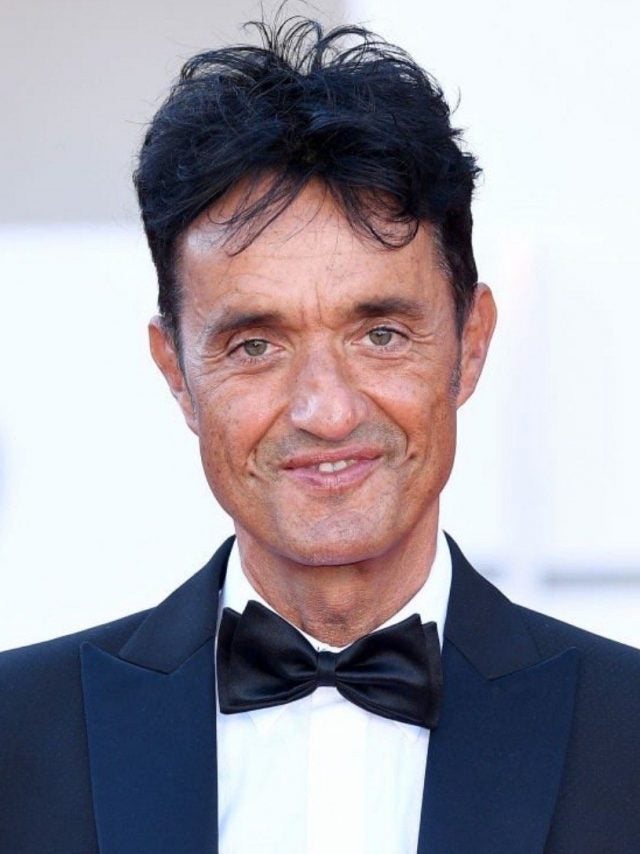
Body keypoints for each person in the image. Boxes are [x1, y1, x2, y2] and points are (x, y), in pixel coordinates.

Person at [1, 15, 639, 854]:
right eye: (255, 346)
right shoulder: (16, 739)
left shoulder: (626, 733)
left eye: (380, 334)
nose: (327, 411)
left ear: (470, 345)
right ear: (177, 374)